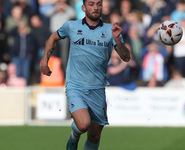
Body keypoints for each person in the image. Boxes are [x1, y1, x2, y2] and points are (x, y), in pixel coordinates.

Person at [40, 0, 130, 150]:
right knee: (83, 124)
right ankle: (74, 135)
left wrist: (117, 40)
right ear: (83, 7)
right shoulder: (72, 26)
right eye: (91, 4)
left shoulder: (110, 30)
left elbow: (126, 57)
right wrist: (44, 61)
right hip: (76, 86)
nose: (95, 7)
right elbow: (53, 38)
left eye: (98, 4)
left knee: (94, 136)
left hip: (98, 89)